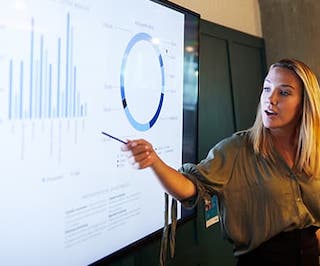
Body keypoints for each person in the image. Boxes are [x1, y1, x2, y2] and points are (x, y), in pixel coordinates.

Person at [123, 58, 320, 265]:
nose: (270, 99)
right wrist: (154, 161)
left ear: (305, 102)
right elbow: (189, 188)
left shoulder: (314, 151)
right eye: (266, 88)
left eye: (284, 92)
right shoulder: (237, 149)